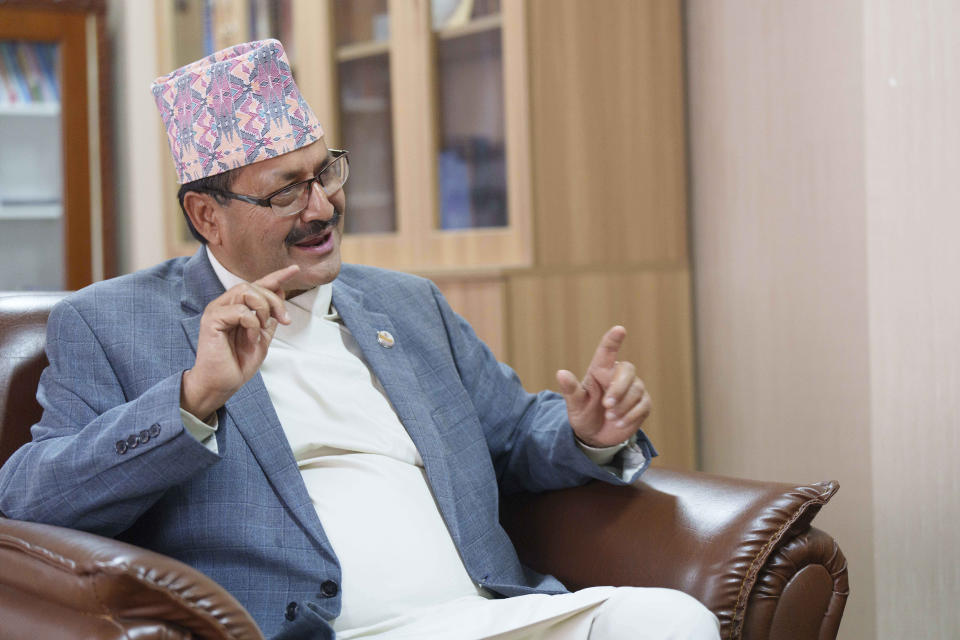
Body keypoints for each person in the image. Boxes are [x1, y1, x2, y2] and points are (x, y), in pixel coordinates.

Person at [0, 40, 719, 639]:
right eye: (286, 190)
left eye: (326, 174)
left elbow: (512, 433)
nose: (322, 208)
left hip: (493, 615)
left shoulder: (406, 303)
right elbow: (30, 500)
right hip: (326, 631)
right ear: (206, 214)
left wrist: (585, 429)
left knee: (672, 619)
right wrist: (193, 397)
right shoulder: (111, 321)